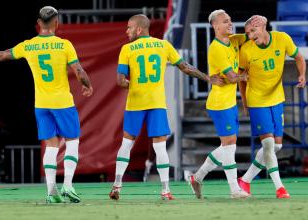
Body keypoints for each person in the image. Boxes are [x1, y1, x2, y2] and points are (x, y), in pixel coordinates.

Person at [0, 6, 93, 203]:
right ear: (56, 23)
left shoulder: (28, 45)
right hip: (62, 102)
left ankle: (51, 192)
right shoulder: (65, 45)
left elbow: (3, 55)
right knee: (72, 141)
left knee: (51, 145)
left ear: (39, 23)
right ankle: (68, 185)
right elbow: (79, 70)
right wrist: (87, 85)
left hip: (41, 104)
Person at [109, 14, 224, 201]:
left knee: (126, 144)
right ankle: (165, 190)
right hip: (156, 103)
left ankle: (117, 185)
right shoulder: (164, 45)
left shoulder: (127, 49)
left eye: (129, 27)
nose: (126, 31)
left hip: (135, 103)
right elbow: (185, 67)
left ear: (139, 30)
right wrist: (207, 78)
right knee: (160, 147)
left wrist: (134, 84)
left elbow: (120, 81)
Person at [188, 10, 266, 199]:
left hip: (229, 102)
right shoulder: (216, 48)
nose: (230, 24)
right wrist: (245, 76)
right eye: (225, 21)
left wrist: (263, 20)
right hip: (219, 104)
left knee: (227, 146)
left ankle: (197, 177)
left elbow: (251, 31)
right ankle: (234, 189)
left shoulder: (234, 40)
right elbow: (232, 77)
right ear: (215, 26)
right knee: (230, 146)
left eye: (230, 20)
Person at [237, 15, 306, 199]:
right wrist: (244, 101)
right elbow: (241, 80)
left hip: (276, 98)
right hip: (257, 100)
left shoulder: (282, 38)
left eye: (253, 31)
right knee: (267, 144)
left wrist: (302, 75)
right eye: (247, 33)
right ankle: (279, 187)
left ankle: (245, 180)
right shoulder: (246, 50)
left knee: (276, 146)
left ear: (263, 26)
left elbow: (299, 57)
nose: (250, 36)